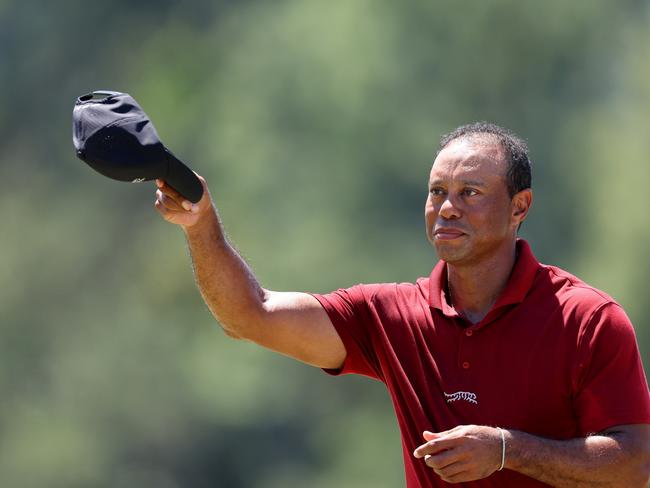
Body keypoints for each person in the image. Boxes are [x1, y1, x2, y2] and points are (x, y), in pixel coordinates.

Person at [154, 122, 650, 487]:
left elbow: (636, 465)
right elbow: (250, 316)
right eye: (437, 192)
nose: (447, 207)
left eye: (470, 192)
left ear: (520, 207)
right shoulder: (391, 315)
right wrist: (200, 224)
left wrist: (505, 450)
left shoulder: (588, 320)